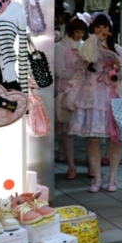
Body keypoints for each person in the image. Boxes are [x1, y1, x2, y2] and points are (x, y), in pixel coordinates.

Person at [68, 13, 122, 193]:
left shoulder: (118, 50)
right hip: (91, 98)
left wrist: (118, 68)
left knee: (114, 139)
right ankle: (96, 177)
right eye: (98, 27)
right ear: (93, 29)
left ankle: (112, 177)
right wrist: (94, 42)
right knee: (93, 140)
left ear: (111, 31)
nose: (102, 30)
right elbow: (80, 63)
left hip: (112, 99)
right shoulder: (87, 46)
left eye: (105, 27)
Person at [55, 17, 87, 179]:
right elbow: (58, 70)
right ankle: (71, 165)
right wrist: (77, 75)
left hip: (83, 91)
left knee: (85, 129)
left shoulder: (85, 46)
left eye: (82, 32)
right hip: (66, 90)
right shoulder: (60, 47)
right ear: (71, 31)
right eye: (77, 31)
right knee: (66, 129)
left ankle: (88, 163)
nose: (80, 35)